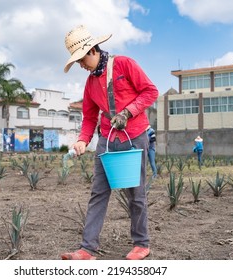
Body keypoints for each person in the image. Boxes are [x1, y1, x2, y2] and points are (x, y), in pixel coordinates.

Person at [61, 25, 159, 260]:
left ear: (93, 50)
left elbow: (150, 91)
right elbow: (89, 118)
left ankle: (141, 244)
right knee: (98, 193)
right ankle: (87, 249)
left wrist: (128, 112)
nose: (81, 65)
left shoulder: (125, 64)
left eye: (82, 59)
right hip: (107, 140)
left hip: (134, 136)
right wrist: (83, 140)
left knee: (135, 193)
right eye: (77, 62)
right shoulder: (90, 83)